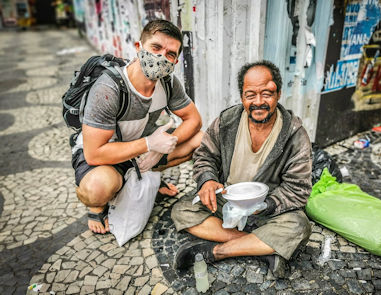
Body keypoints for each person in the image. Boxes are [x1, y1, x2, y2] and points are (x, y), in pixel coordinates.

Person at [171, 60, 312, 278]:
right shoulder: (227, 121)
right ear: (242, 97)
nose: (259, 102)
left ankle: (217, 251)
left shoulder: (294, 134)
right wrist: (207, 180)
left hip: (267, 209)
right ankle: (261, 249)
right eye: (250, 95)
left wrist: (265, 205)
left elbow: (298, 189)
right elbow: (205, 155)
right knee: (182, 210)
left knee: (299, 226)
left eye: (267, 93)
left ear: (279, 94)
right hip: (228, 201)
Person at [72, 19, 203, 234]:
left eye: (170, 54)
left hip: (140, 153)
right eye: (156, 48)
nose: (161, 57)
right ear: (138, 47)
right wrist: (149, 144)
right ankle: (97, 207)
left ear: (175, 61)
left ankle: (149, 173)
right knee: (98, 188)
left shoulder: (168, 83)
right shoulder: (109, 88)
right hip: (105, 156)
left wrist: (164, 146)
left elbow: (194, 120)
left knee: (202, 140)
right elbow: (94, 153)